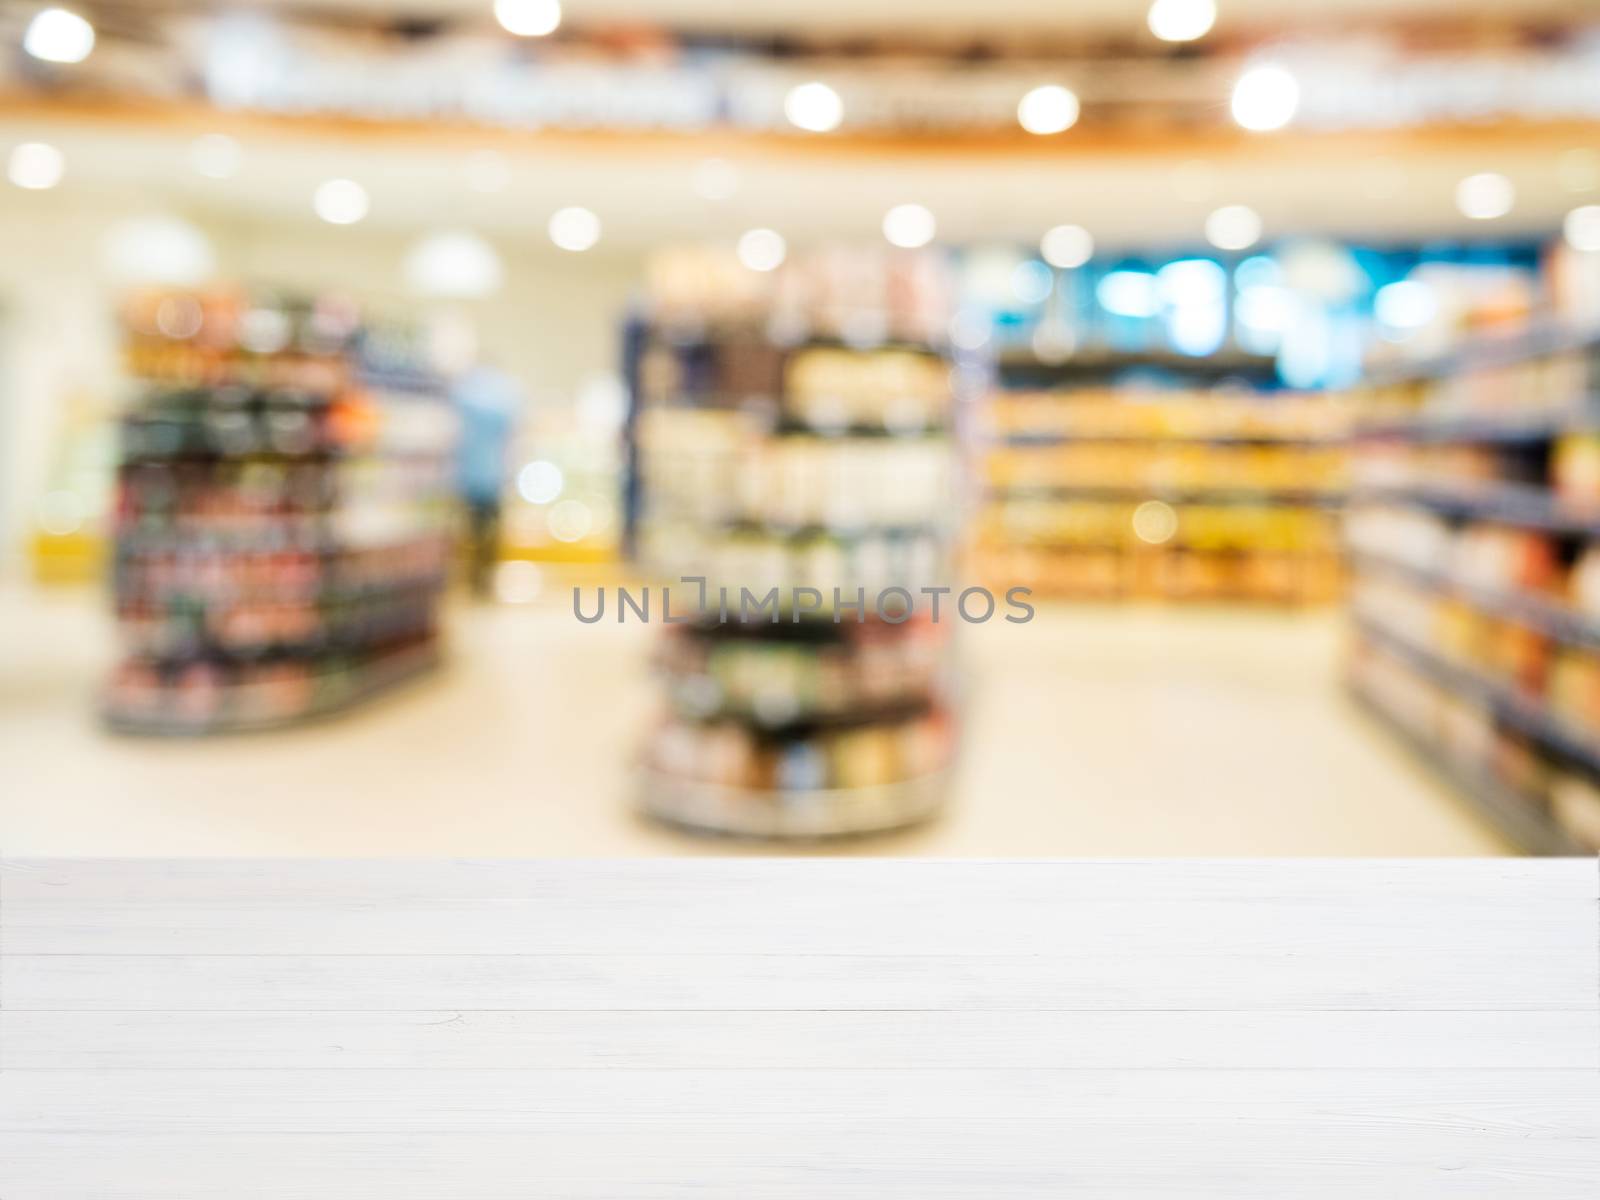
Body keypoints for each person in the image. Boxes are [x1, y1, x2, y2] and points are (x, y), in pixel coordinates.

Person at [450, 362, 521, 599]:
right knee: (489, 534)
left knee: (471, 532)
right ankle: (484, 581)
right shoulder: (503, 398)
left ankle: (473, 580)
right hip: (492, 478)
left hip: (468, 478)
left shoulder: (464, 395)